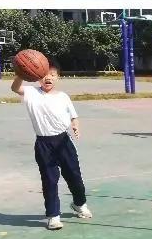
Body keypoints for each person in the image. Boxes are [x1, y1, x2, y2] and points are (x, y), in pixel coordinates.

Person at [11, 64, 93, 230]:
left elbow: (73, 116)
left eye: (53, 75)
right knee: (49, 180)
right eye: (44, 75)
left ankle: (79, 204)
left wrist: (75, 125)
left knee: (74, 176)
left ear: (58, 78)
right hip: (44, 144)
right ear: (37, 76)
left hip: (63, 141)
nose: (48, 77)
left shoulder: (63, 96)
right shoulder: (31, 92)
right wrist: (22, 73)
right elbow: (15, 88)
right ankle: (53, 215)